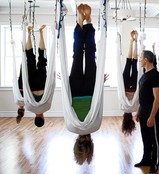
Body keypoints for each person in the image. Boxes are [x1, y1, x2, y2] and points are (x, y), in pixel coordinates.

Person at [70, 3, 96, 165]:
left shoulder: (95, 126)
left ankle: (89, 21)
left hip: (91, 89)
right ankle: (81, 21)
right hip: (75, 90)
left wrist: (99, 84)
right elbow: (68, 105)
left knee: (90, 54)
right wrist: (65, 83)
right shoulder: (71, 127)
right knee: (78, 55)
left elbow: (98, 104)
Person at [134, 50, 159, 173]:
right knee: (145, 137)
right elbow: (142, 97)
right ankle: (146, 159)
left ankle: (155, 163)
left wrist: (152, 116)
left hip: (152, 112)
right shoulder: (144, 75)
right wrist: (138, 112)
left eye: (141, 57)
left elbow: (157, 98)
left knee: (154, 138)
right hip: (143, 111)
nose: (140, 60)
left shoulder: (155, 75)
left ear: (146, 59)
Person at [17, 25, 47, 127]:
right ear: (35, 118)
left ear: (43, 118)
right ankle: (29, 33)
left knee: (42, 57)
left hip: (43, 84)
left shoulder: (46, 108)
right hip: (32, 84)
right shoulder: (30, 108)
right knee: (30, 57)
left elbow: (49, 93)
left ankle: (41, 33)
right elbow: (25, 95)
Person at [121, 30, 138, 136]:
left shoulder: (135, 108)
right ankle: (131, 41)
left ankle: (134, 42)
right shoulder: (122, 107)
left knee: (134, 63)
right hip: (126, 85)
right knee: (128, 63)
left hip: (134, 85)